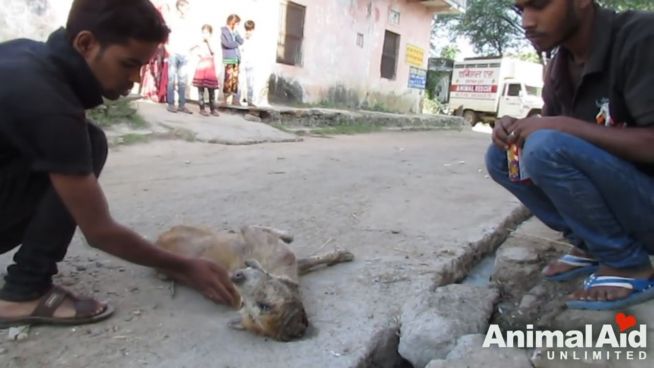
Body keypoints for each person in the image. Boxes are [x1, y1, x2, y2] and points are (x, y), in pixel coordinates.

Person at [0, 0, 238, 328]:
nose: (137, 78)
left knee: (86, 140)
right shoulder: (49, 105)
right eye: (128, 64)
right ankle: (23, 293)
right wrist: (183, 265)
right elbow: (98, 231)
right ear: (85, 43)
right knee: (89, 144)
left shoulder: (23, 55)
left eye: (141, 66)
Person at [486, 0, 654, 310]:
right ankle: (591, 245)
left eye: (538, 5)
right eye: (520, 10)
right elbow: (546, 141)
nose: (527, 22)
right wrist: (516, 128)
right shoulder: (559, 67)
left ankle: (626, 264)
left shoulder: (641, 37)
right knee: (504, 157)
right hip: (625, 206)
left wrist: (561, 125)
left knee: (546, 146)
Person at [165, 0, 194, 114]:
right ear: (180, 7)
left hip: (184, 53)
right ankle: (171, 104)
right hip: (174, 52)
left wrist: (190, 50)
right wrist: (167, 48)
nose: (187, 9)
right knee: (172, 80)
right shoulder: (172, 19)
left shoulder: (188, 21)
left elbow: (190, 36)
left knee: (182, 81)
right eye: (186, 7)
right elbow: (164, 33)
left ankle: (182, 105)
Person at [191, 24, 220, 117]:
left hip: (210, 67)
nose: (205, 35)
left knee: (211, 90)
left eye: (207, 33)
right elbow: (192, 49)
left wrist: (208, 42)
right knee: (201, 90)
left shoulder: (212, 42)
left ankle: (213, 109)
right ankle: (202, 108)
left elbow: (213, 51)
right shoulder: (199, 42)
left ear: (210, 34)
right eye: (203, 33)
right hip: (201, 66)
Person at [220, 14, 244, 106]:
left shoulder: (235, 32)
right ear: (233, 22)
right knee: (228, 78)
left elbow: (241, 41)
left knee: (235, 79)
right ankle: (226, 99)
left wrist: (236, 34)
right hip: (228, 56)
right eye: (237, 23)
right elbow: (227, 44)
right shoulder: (224, 31)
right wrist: (236, 43)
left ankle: (235, 99)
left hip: (237, 57)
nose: (238, 25)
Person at [240, 20, 258, 107]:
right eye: (247, 29)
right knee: (240, 82)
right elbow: (240, 49)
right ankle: (237, 100)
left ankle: (250, 101)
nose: (248, 31)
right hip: (242, 62)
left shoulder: (255, 39)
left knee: (250, 83)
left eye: (250, 29)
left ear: (253, 30)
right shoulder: (242, 38)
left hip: (251, 63)